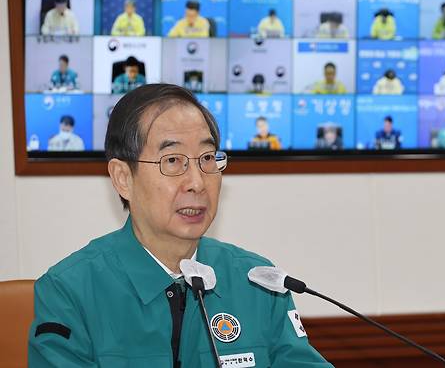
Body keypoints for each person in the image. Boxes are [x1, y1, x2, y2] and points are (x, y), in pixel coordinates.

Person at [29, 84, 331, 366]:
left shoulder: (257, 284)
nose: (197, 182)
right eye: (172, 160)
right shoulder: (70, 292)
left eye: (207, 158)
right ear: (123, 178)